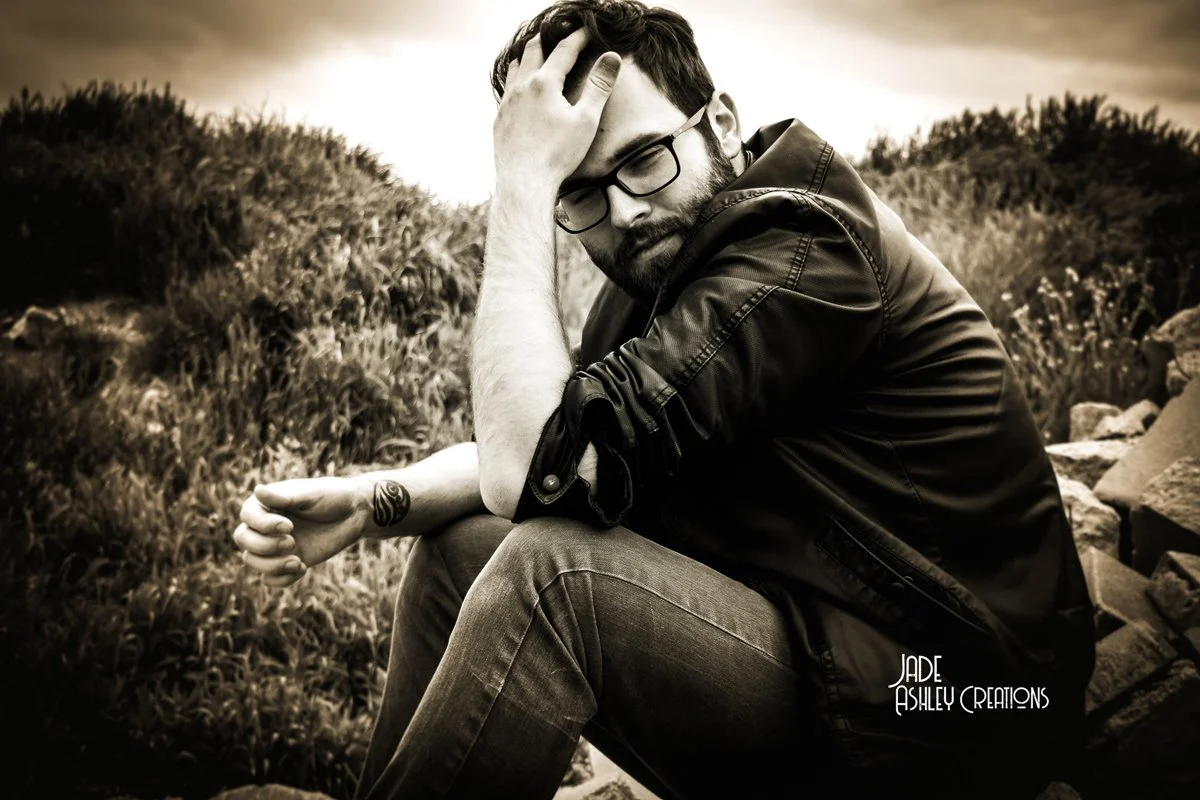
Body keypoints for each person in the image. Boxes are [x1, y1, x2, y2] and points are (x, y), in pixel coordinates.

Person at [232, 2, 1097, 797]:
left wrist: (524, 187)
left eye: (644, 159)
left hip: (968, 697)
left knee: (551, 577)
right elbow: (547, 460)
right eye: (580, 190)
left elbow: (529, 466)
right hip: (839, 654)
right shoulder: (666, 272)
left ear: (719, 123)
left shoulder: (803, 247)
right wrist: (375, 502)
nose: (625, 212)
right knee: (461, 548)